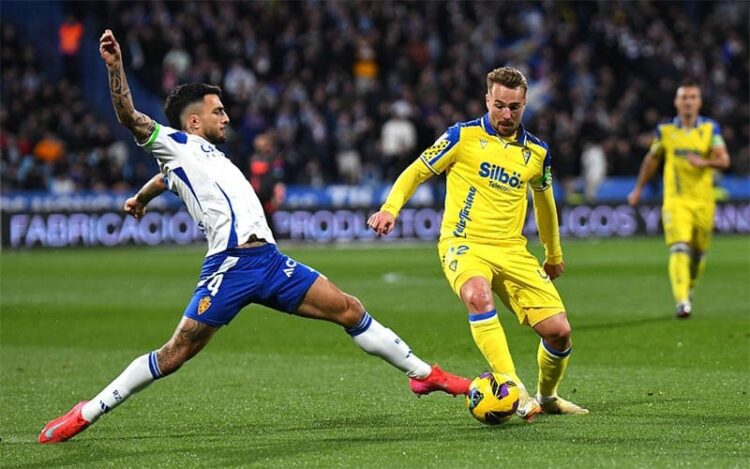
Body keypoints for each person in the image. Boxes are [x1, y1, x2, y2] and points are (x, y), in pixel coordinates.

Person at [38, 30, 470, 444]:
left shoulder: (197, 158)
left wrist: (140, 197)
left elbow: (165, 178)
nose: (226, 116)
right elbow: (128, 117)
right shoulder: (172, 143)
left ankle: (423, 375)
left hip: (270, 262)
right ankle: (87, 411)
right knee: (175, 354)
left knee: (349, 308)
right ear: (193, 120)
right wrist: (116, 68)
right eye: (217, 110)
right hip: (230, 266)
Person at [369, 66, 588, 421]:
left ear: (525, 103)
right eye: (499, 105)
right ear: (487, 99)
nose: (506, 114)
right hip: (464, 242)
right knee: (477, 295)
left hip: (513, 250)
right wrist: (390, 208)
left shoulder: (537, 152)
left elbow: (545, 204)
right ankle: (514, 389)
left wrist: (553, 254)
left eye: (514, 107)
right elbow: (417, 170)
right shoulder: (461, 136)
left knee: (559, 332)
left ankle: (547, 396)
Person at [627, 81, 731, 319]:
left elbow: (724, 160)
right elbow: (651, 160)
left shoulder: (710, 129)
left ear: (699, 102)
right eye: (684, 97)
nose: (688, 102)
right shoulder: (665, 132)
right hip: (676, 201)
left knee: (698, 255)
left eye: (693, 97)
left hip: (704, 202)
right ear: (676, 102)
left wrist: (704, 162)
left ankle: (689, 288)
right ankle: (682, 301)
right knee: (679, 247)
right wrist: (638, 189)